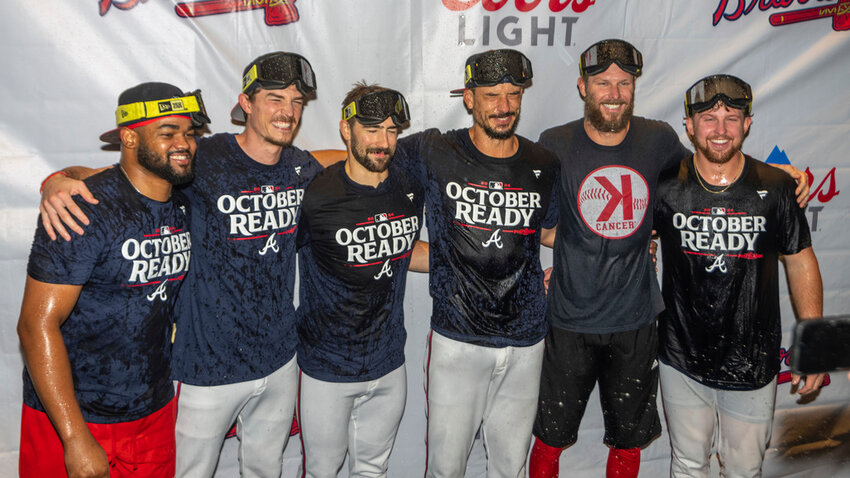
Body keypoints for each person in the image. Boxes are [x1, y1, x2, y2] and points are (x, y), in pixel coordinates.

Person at [38, 51, 336, 477]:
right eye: (274, 99)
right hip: (203, 367)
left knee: (267, 470)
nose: (287, 112)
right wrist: (56, 181)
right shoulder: (202, 156)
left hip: (279, 361)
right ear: (246, 104)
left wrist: (369, 148)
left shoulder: (299, 166)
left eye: (296, 102)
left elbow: (334, 160)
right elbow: (115, 174)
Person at [529, 39, 811, 478]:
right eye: (603, 82)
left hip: (638, 322)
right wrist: (561, 259)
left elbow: (713, 161)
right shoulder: (554, 143)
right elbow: (539, 225)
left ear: (635, 87)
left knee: (629, 441)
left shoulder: (658, 139)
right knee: (549, 436)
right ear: (583, 87)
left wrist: (778, 175)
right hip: (569, 320)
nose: (614, 92)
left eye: (624, 82)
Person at [17, 82, 207, 478]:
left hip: (152, 409)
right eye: (168, 132)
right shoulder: (80, 209)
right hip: (72, 415)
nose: (184, 143)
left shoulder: (184, 201)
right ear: (129, 136)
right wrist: (74, 437)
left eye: (189, 133)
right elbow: (36, 324)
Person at [393, 49, 560, 477]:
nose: (504, 106)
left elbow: (551, 232)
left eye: (513, 93)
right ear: (469, 98)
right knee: (446, 469)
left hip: (526, 341)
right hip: (458, 340)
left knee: (510, 467)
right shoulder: (434, 150)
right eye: (491, 95)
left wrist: (621, 244)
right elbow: (367, 161)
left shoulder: (543, 162)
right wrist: (292, 168)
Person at [654, 74, 823, 477]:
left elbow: (800, 259)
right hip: (681, 356)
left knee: (744, 470)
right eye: (709, 118)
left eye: (732, 117)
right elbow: (623, 239)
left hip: (753, 359)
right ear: (689, 126)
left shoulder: (778, 186)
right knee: (688, 464)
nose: (720, 129)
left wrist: (816, 340)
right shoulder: (664, 186)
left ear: (748, 124)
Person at [295, 84, 427, 477]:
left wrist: (481, 257)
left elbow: (404, 248)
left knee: (373, 469)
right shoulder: (313, 190)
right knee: (322, 470)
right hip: (326, 368)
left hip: (389, 363)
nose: (381, 141)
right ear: (345, 130)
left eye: (391, 130)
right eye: (370, 129)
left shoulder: (407, 183)